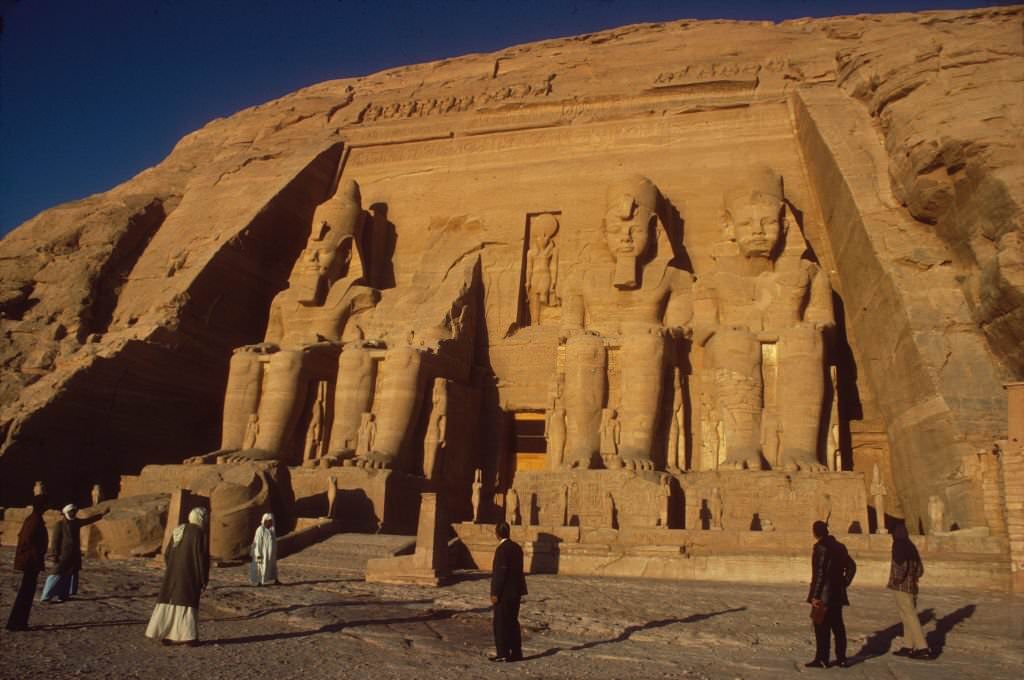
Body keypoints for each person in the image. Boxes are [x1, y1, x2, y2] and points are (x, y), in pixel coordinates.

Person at [145, 507, 210, 646]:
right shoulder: (199, 533)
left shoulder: (179, 529)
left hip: (173, 574)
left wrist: (173, 567)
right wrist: (203, 578)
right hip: (189, 574)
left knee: (171, 601)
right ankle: (189, 637)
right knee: (186, 603)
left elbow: (167, 553)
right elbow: (202, 558)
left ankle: (166, 633)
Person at [806, 520, 856, 668]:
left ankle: (822, 659)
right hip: (837, 593)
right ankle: (841, 658)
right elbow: (852, 567)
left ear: (816, 532)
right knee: (838, 626)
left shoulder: (820, 547)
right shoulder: (840, 547)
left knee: (821, 626)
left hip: (824, 595)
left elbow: (820, 573)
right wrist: (843, 583)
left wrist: (815, 595)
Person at [40, 503, 106, 603]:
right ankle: (46, 597)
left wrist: (102, 515)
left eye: (74, 512)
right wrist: (54, 554)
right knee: (55, 574)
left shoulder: (76, 522)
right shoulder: (60, 525)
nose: (73, 513)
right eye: (71, 512)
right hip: (63, 555)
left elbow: (88, 520)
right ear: (66, 512)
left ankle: (63, 596)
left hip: (74, 555)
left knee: (68, 575)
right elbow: (55, 541)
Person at [887, 524, 932, 659]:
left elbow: (900, 566)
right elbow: (920, 569)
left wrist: (896, 580)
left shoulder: (898, 546)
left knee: (910, 616)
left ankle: (922, 647)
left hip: (901, 587)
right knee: (906, 616)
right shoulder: (911, 546)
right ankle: (908, 645)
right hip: (912, 586)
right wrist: (913, 578)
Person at [6, 495, 48, 631]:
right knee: (26, 592)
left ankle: (19, 622)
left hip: (31, 560)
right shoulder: (34, 520)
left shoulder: (34, 518)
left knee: (27, 592)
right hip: (31, 561)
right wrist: (36, 553)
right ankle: (16, 623)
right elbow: (26, 539)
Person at [489, 521, 527, 662]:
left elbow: (501, 573)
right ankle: (516, 652)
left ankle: (502, 653)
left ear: (497, 534)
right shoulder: (517, 547)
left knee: (500, 623)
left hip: (504, 593)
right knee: (512, 622)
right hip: (516, 591)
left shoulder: (502, 549)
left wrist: (495, 593)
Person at [249, 513, 279, 586]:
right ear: (265, 521)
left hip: (271, 553)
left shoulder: (272, 529)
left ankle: (275, 580)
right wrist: (258, 554)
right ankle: (259, 582)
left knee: (272, 566)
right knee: (261, 566)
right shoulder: (260, 530)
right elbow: (258, 543)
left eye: (272, 520)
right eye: (270, 521)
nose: (271, 522)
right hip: (262, 553)